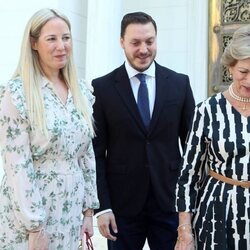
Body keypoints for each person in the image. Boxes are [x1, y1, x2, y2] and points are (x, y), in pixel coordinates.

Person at [92, 11, 195, 250]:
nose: (143, 49)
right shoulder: (102, 88)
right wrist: (103, 206)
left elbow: (192, 150)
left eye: (149, 41)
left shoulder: (180, 84)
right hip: (122, 208)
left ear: (156, 40)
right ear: (121, 42)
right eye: (135, 42)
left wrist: (188, 206)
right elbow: (96, 153)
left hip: (169, 202)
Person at [0, 8, 99, 249]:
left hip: (71, 212)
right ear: (34, 43)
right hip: (30, 215)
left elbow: (86, 155)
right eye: (51, 39)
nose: (61, 46)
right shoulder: (17, 93)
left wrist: (88, 212)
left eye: (66, 38)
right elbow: (17, 165)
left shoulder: (82, 92)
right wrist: (35, 226)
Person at [175, 24, 250, 250]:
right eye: (243, 72)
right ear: (230, 68)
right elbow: (188, 175)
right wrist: (185, 231)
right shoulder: (207, 110)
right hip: (219, 215)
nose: (249, 81)